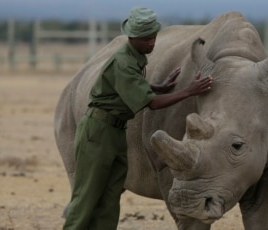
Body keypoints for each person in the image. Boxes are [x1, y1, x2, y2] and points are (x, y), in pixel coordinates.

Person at [62, 7, 213, 230]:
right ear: (132, 37)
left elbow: (128, 85)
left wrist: (159, 87)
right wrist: (188, 91)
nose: (151, 43)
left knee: (110, 198)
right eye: (146, 39)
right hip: (98, 131)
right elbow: (150, 103)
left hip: (115, 130)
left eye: (153, 37)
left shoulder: (135, 57)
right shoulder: (123, 61)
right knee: (87, 197)